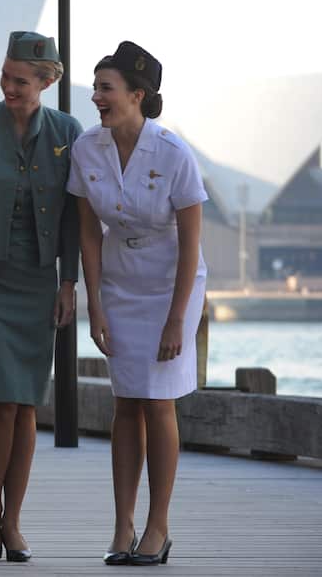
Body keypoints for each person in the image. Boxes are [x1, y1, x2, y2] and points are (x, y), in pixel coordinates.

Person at [0, 31, 82, 562]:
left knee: (26, 403)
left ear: (46, 80)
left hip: (36, 279)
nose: (9, 87)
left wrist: (68, 280)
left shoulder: (69, 132)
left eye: (20, 80)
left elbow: (75, 215)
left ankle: (14, 519)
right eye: (4, 76)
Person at [67, 41, 205, 567]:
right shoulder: (86, 149)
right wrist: (95, 304)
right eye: (96, 87)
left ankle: (158, 526)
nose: (97, 97)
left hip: (173, 283)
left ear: (137, 95)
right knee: (126, 400)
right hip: (120, 284)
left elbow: (192, 243)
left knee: (158, 400)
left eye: (107, 88)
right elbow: (88, 233)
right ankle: (123, 524)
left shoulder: (173, 153)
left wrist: (177, 318)